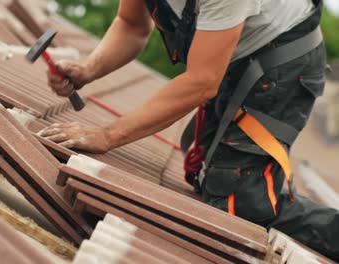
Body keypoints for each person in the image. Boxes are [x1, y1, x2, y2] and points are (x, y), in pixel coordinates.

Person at [39, 0, 339, 260]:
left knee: (240, 202)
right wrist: (87, 69)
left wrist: (108, 135)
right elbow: (131, 25)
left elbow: (203, 81)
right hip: (238, 54)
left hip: (284, 60)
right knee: (207, 175)